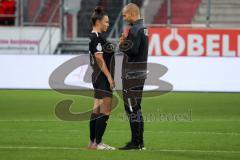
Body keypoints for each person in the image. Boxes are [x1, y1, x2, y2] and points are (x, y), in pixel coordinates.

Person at [119, 3, 148, 150]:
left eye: (125, 15)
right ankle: (139, 142)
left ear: (131, 13)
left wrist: (122, 44)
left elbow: (133, 50)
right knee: (135, 108)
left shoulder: (135, 29)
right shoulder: (142, 28)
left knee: (131, 108)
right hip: (139, 73)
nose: (124, 18)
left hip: (132, 74)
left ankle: (136, 142)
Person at [88, 6, 116, 150]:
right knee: (106, 111)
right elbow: (99, 58)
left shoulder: (98, 37)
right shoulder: (97, 38)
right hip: (102, 78)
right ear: (98, 22)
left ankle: (92, 142)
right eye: (106, 22)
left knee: (96, 109)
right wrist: (110, 77)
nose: (108, 24)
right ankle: (98, 143)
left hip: (97, 77)